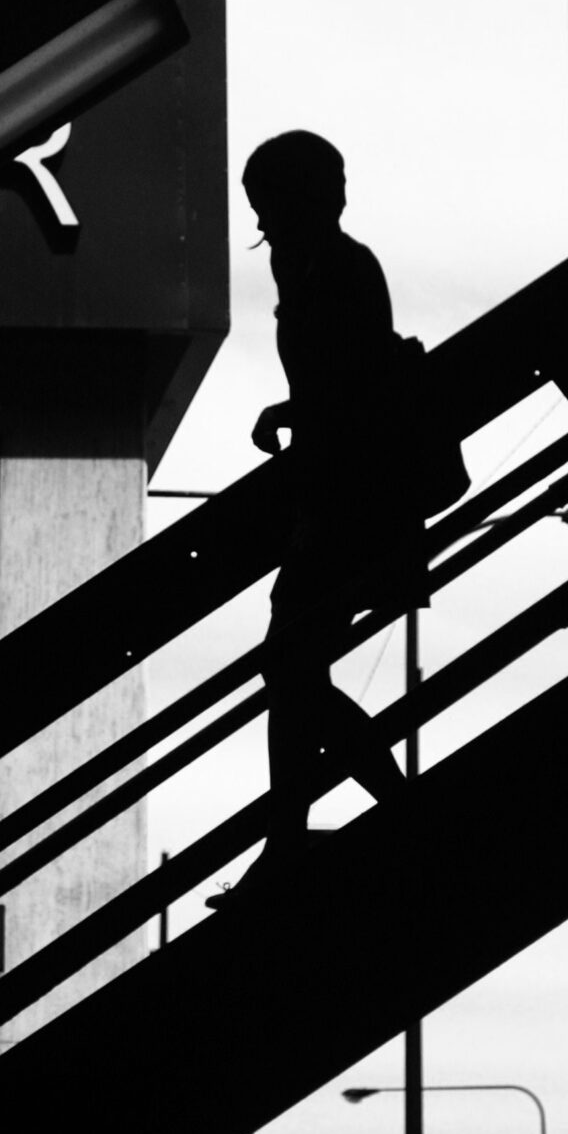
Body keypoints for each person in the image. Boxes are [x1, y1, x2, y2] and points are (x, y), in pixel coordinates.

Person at [212, 132, 426, 904]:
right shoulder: (309, 265)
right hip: (336, 498)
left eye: (271, 206)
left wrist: (296, 415)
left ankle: (300, 836)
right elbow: (342, 386)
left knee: (291, 668)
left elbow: (355, 396)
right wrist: (294, 411)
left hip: (351, 502)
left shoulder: (338, 270)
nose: (266, 223)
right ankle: (312, 831)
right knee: (296, 671)